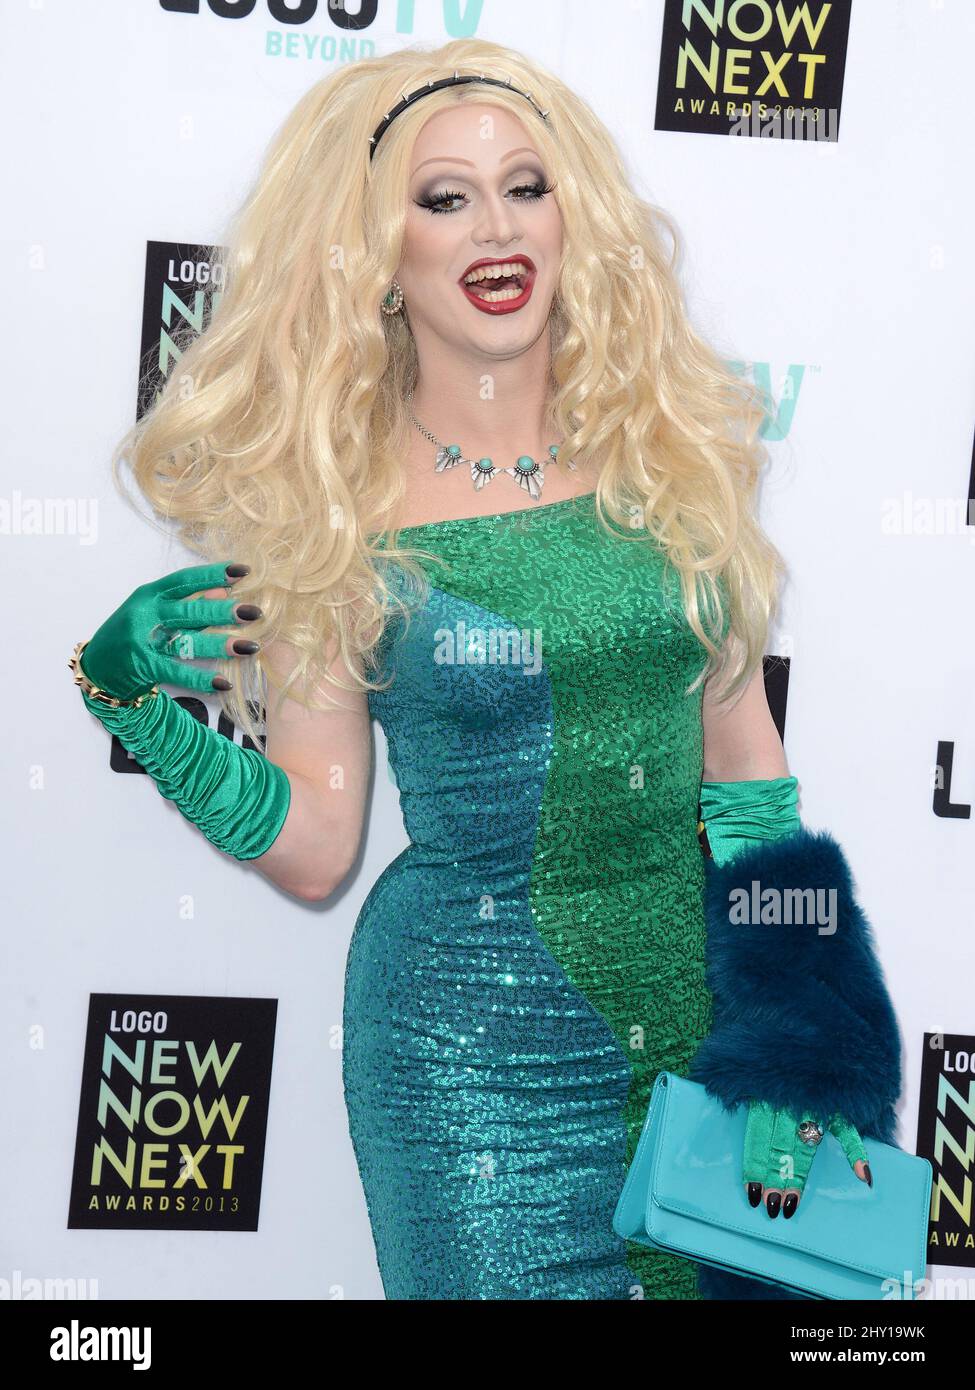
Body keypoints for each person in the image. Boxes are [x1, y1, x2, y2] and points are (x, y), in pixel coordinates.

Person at [71, 40, 903, 1300]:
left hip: (698, 1039)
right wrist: (132, 702)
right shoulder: (337, 512)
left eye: (526, 186)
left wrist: (803, 1042)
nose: (497, 227)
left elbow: (750, 793)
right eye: (444, 198)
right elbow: (317, 844)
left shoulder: (669, 460)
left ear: (573, 218)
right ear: (377, 252)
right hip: (466, 1070)